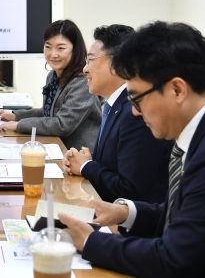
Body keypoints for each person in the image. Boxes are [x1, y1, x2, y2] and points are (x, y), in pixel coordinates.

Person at [59, 21, 205, 278]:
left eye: (137, 98)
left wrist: (90, 241)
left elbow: (174, 259)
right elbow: (185, 212)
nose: (134, 112)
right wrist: (125, 212)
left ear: (177, 89)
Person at [62, 24, 172, 202]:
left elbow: (130, 190)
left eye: (90, 60)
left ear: (117, 64)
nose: (85, 69)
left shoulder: (136, 111)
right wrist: (90, 161)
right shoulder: (114, 104)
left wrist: (86, 166)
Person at [0, 19, 100, 150]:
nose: (53, 54)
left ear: (75, 49)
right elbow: (48, 112)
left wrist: (18, 125)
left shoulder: (83, 82)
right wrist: (15, 116)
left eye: (61, 48)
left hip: (80, 154)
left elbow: (62, 124)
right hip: (56, 146)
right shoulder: (53, 75)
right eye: (48, 47)